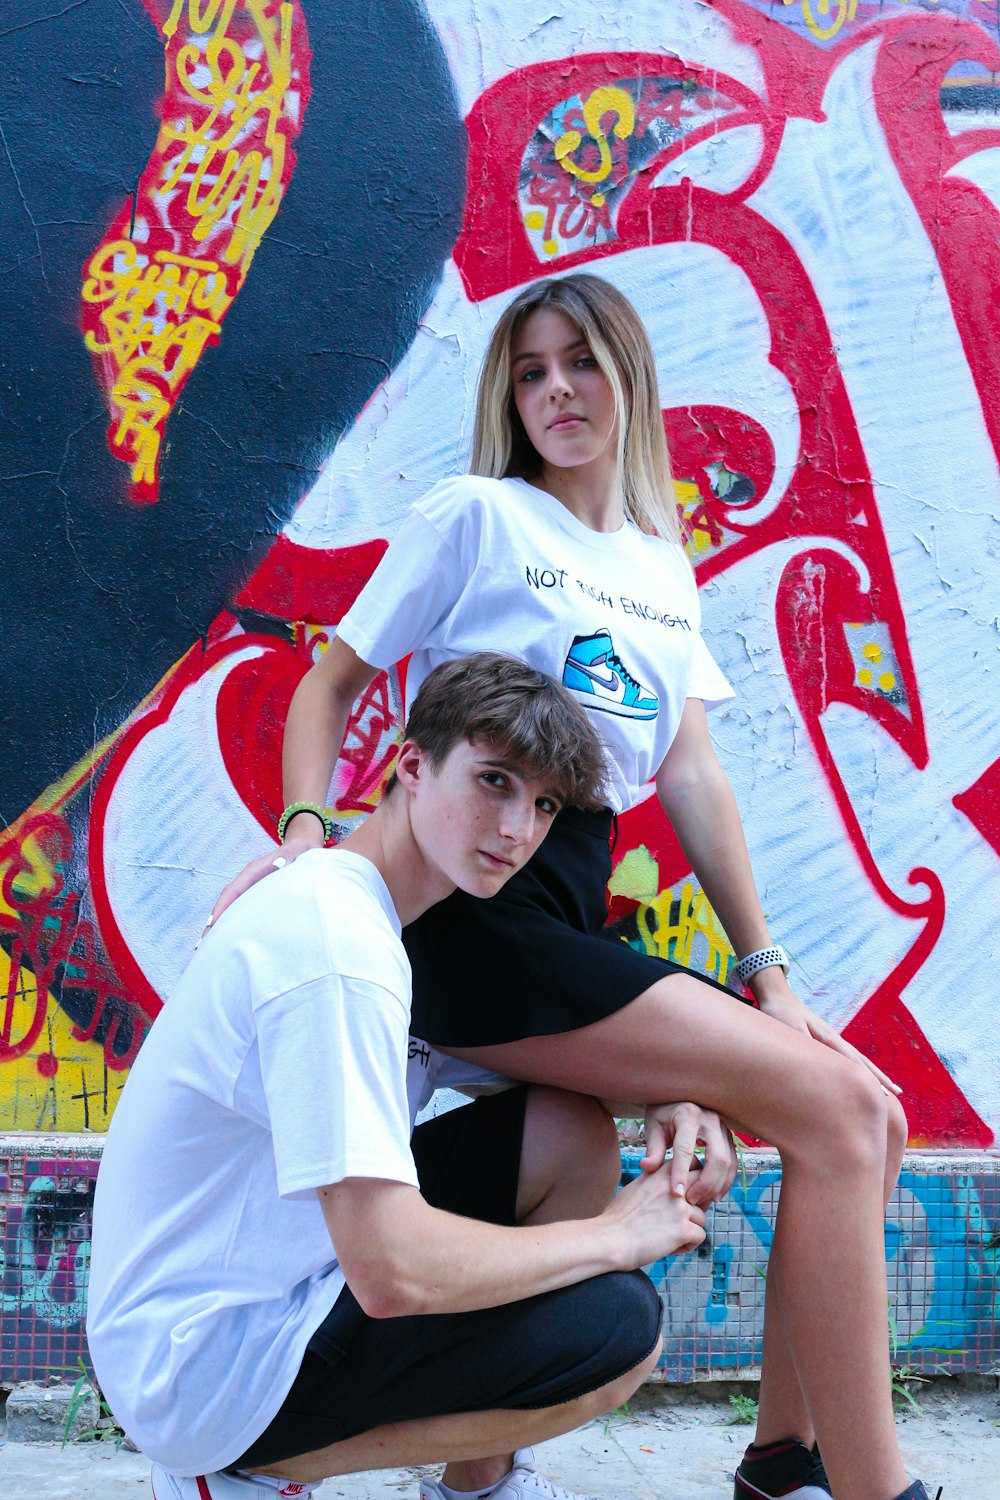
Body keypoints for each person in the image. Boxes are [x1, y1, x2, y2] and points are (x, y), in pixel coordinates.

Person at [210, 274, 933, 1500]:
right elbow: (328, 683)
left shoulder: (660, 568)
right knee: (843, 1113)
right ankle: (876, 1492)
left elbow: (692, 779)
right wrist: (304, 835)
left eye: (581, 362)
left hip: (569, 916)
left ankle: (785, 1457)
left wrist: (765, 977)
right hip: (476, 921)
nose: (556, 389)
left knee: (865, 1107)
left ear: (629, 378)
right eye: (530, 370)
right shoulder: (477, 517)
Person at [86, 652, 710, 1500]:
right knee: (615, 1331)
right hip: (205, 1361)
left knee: (564, 1129)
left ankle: (476, 1489)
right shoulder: (336, 948)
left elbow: (559, 1065)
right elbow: (392, 1274)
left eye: (545, 805)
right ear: (411, 765)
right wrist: (615, 1237)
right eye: (495, 782)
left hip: (279, 1286)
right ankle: (243, 1470)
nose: (519, 829)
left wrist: (676, 1092)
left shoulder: (386, 921)